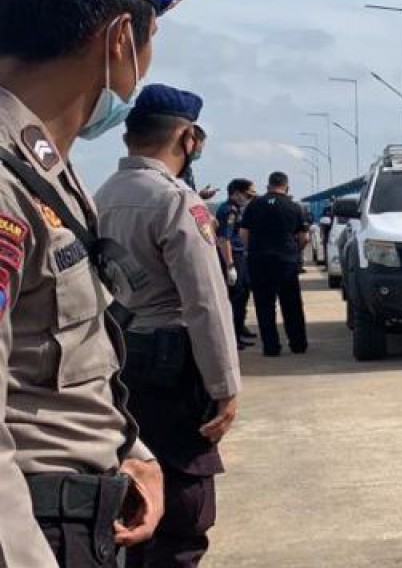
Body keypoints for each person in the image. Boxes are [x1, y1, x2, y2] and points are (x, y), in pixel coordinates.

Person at [0, 0, 183, 567]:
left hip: (78, 509)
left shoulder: (44, 169)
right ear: (117, 43)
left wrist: (127, 451)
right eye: (151, 38)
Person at [95, 84, 241, 567]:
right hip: (173, 365)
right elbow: (205, 301)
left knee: (137, 496)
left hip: (120, 357)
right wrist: (225, 386)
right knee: (184, 514)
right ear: (187, 138)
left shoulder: (101, 196)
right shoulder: (176, 200)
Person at [239, 172, 310, 357]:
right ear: (286, 185)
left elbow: (243, 233)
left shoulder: (254, 204)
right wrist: (296, 251)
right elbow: (304, 237)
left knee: (264, 305)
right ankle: (298, 344)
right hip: (285, 260)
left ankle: (271, 347)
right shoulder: (294, 207)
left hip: (259, 260)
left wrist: (251, 251)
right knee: (291, 304)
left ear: (268, 185)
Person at [216, 179, 257, 350]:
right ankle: (234, 336)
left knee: (244, 293)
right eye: (248, 195)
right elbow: (224, 239)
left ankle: (239, 329)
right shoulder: (229, 211)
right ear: (237, 193)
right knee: (237, 297)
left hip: (239, 254)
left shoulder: (237, 209)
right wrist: (230, 265)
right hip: (233, 256)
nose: (249, 198)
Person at [178, 125, 217, 200]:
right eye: (200, 148)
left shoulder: (187, 169)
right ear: (190, 142)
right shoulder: (178, 169)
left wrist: (200, 196)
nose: (200, 151)